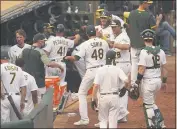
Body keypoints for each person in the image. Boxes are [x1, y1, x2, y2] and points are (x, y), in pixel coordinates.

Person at [63, 25, 109, 126]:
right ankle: (103, 120)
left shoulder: (86, 44)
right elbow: (109, 55)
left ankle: (84, 119)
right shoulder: (104, 42)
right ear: (95, 32)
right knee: (101, 94)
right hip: (103, 70)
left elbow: (76, 58)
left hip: (92, 70)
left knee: (82, 93)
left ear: (88, 34)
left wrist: (68, 57)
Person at [133, 29, 167, 128]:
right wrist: (164, 82)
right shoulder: (161, 51)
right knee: (152, 103)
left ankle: (152, 126)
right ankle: (161, 124)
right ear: (153, 39)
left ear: (144, 39)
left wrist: (137, 82)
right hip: (158, 82)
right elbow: (164, 69)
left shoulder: (144, 52)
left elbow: (142, 69)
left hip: (148, 83)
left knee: (148, 106)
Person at [127, 0, 163, 85]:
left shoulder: (131, 14)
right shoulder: (148, 15)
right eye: (147, 3)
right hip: (145, 45)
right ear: (143, 3)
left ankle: (133, 85)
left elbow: (128, 27)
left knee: (134, 65)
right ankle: (142, 84)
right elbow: (154, 30)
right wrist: (158, 21)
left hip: (134, 44)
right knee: (145, 65)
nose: (148, 5)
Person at [91, 50, 129, 128]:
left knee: (103, 120)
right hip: (115, 97)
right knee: (113, 121)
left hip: (103, 97)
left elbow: (95, 86)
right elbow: (127, 81)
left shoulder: (100, 70)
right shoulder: (117, 69)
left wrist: (93, 98)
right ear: (114, 59)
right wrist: (124, 88)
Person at [20, 33, 64, 101]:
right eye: (44, 41)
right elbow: (49, 63)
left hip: (26, 81)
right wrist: (60, 66)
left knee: (27, 101)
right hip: (38, 81)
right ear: (40, 41)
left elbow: (19, 63)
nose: (44, 43)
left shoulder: (24, 50)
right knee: (40, 101)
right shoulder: (40, 52)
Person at [110, 19, 131, 122]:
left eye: (114, 27)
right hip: (119, 64)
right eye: (112, 27)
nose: (113, 29)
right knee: (121, 89)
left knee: (120, 89)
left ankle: (122, 113)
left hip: (123, 64)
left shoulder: (124, 36)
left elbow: (127, 46)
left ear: (119, 26)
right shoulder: (117, 36)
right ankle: (122, 115)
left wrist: (114, 44)